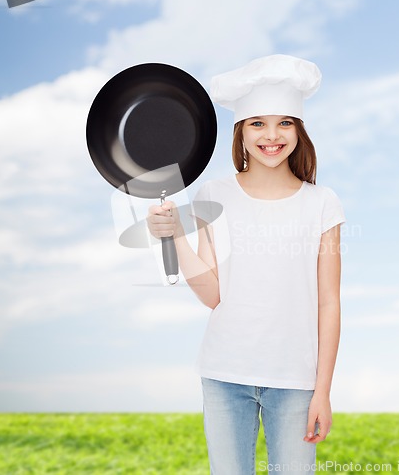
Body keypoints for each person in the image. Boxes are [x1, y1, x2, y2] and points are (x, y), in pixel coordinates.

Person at [147, 54, 345, 474]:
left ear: (299, 130)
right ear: (240, 131)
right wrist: (174, 236)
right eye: (257, 123)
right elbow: (213, 295)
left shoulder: (322, 203)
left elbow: (329, 302)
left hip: (295, 381)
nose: (271, 135)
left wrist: (322, 390)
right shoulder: (212, 195)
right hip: (224, 374)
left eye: (284, 122)